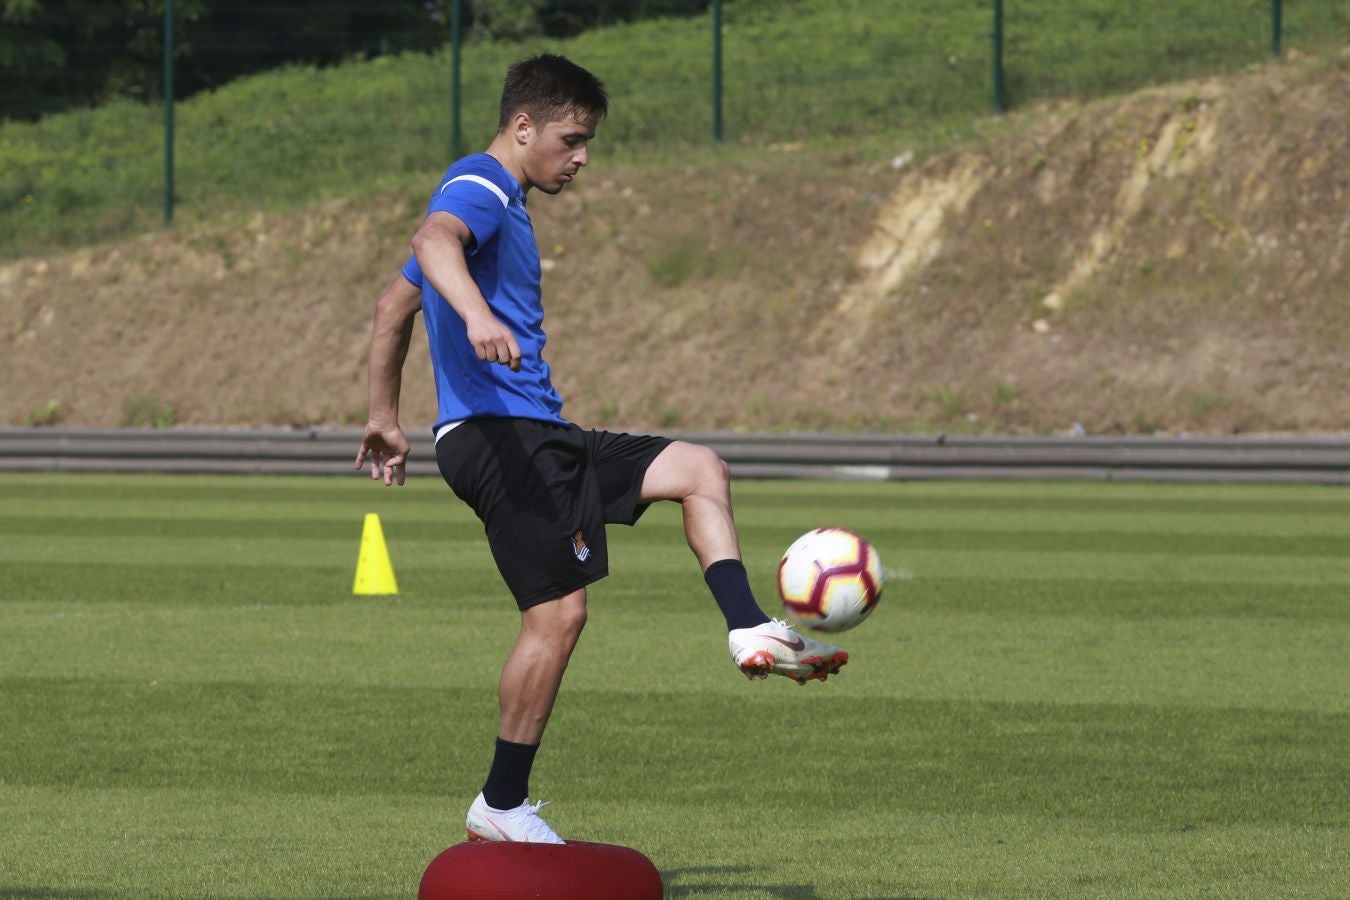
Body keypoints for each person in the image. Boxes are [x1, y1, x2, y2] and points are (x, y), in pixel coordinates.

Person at [355, 54, 848, 845]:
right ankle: (501, 803)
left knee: (699, 469)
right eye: (572, 139)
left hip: (540, 433)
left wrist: (384, 413)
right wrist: (481, 319)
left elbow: (391, 306)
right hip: (500, 436)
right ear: (524, 127)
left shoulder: (501, 200)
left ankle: (749, 627)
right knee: (558, 615)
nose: (581, 158)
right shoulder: (479, 185)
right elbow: (433, 237)